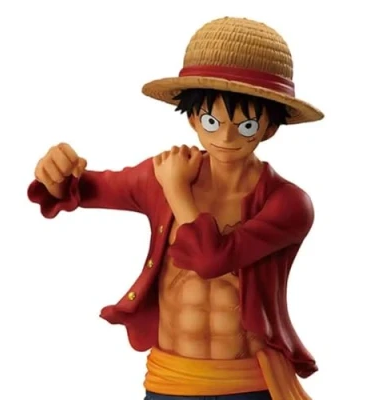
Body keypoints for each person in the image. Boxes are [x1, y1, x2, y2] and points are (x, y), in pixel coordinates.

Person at [28, 17, 323, 400]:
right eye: (212, 121)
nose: (226, 137)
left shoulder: (288, 203)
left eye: (247, 125)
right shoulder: (163, 176)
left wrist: (177, 190)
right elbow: (85, 189)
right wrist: (56, 173)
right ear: (193, 118)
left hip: (249, 382)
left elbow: (211, 260)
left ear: (270, 128)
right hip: (171, 380)